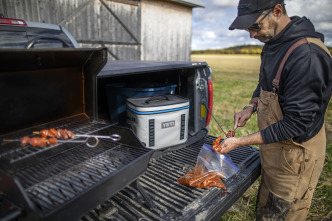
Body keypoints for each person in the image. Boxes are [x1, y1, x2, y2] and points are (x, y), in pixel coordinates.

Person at [215, 0, 332, 220]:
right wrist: (251, 106)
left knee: (283, 212)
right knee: (268, 208)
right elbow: (266, 82)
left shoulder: (306, 56)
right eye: (248, 29)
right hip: (273, 146)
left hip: (295, 154)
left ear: (277, 11)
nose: (251, 35)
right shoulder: (274, 42)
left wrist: (239, 142)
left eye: (254, 27)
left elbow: (297, 122)